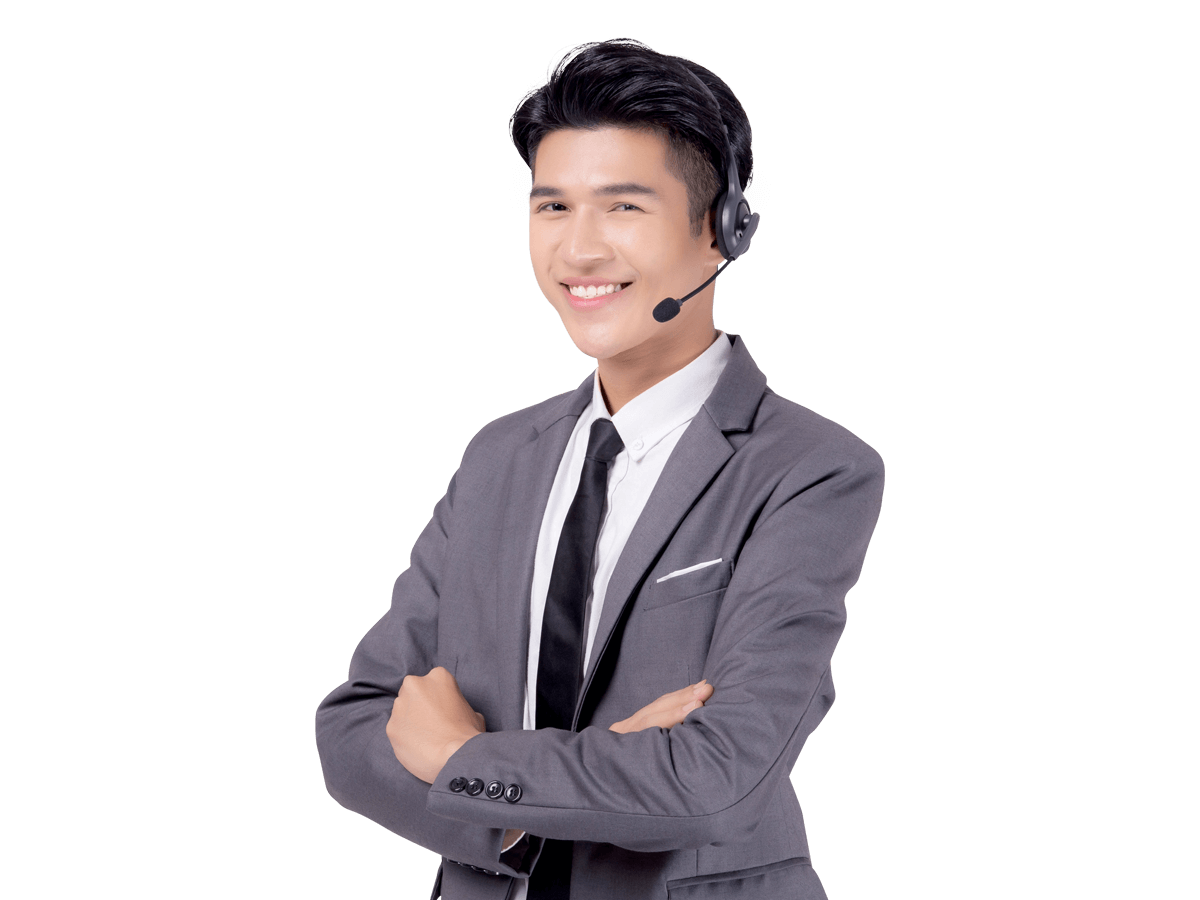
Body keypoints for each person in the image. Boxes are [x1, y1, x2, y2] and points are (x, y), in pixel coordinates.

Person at [315, 38, 884, 900]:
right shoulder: (499, 454)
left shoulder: (811, 468)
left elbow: (715, 780)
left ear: (721, 231)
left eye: (622, 207)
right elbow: (353, 731)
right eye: (552, 208)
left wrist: (455, 760)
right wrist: (505, 805)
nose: (577, 251)